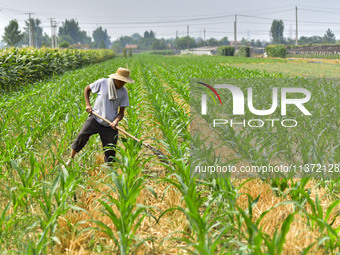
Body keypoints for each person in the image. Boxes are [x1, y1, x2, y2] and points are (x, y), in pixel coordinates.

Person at [65, 67, 134, 166]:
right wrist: (88, 104)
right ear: (116, 78)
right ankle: (69, 160)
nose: (123, 84)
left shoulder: (123, 92)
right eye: (121, 81)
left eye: (125, 82)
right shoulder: (102, 83)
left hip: (110, 124)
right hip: (95, 118)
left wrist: (116, 121)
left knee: (110, 148)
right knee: (81, 136)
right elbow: (87, 89)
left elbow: (121, 112)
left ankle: (110, 170)